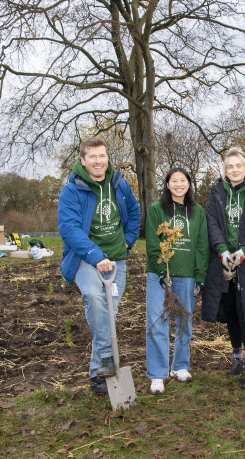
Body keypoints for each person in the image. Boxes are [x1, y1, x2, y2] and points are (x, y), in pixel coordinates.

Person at [58, 137, 140, 395]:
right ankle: (106, 357)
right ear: (82, 160)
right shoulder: (72, 190)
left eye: (102, 156)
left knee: (107, 316)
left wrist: (127, 242)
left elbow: (135, 213)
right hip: (86, 259)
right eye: (92, 157)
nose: (98, 161)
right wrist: (95, 255)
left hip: (116, 259)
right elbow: (69, 229)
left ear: (107, 158)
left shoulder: (119, 184)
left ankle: (96, 376)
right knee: (94, 297)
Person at [201, 147, 245, 389]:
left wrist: (244, 251)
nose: (234, 170)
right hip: (223, 259)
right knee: (230, 309)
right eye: (230, 167)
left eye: (238, 166)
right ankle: (237, 358)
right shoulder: (216, 192)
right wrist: (222, 250)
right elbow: (211, 222)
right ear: (225, 170)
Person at [145, 168, 209, 395]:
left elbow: (202, 244)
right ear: (168, 184)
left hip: (187, 274)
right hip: (159, 275)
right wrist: (162, 271)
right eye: (174, 180)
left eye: (183, 180)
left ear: (189, 184)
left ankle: (180, 366)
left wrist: (200, 275)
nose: (179, 184)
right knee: (157, 322)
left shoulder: (198, 211)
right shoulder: (156, 210)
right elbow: (153, 242)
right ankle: (157, 373)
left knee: (185, 321)